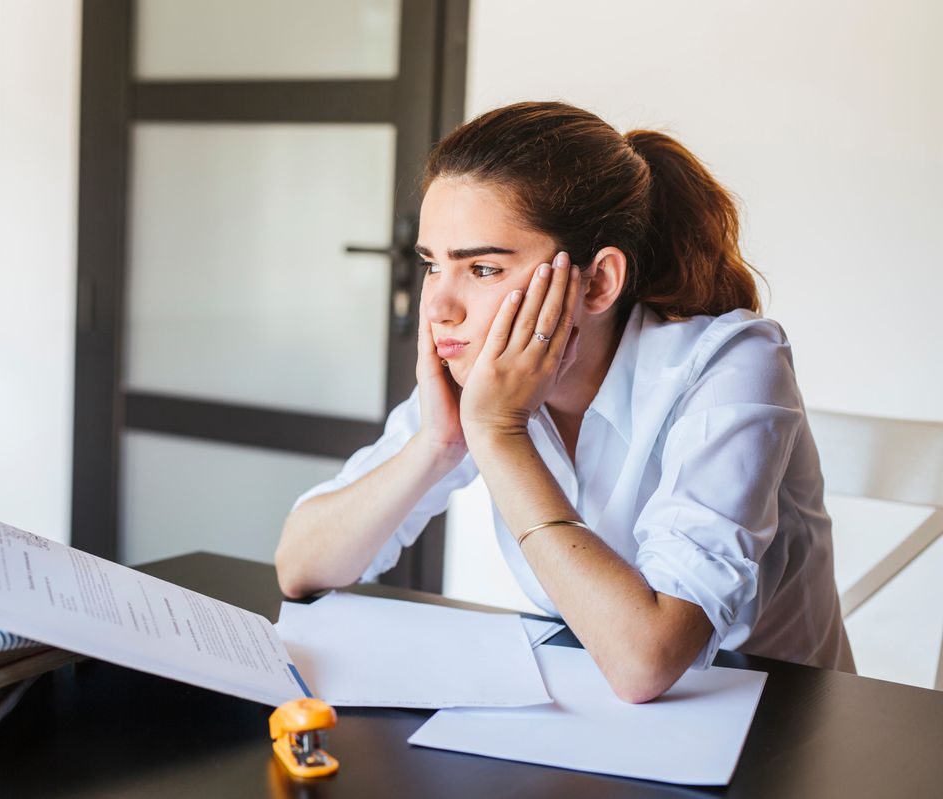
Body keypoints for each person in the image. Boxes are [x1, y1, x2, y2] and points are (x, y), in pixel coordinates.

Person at [274, 101, 854, 703]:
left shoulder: (733, 363)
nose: (440, 307)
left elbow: (645, 662)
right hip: (595, 706)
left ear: (598, 281)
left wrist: (499, 434)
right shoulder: (486, 378)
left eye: (483, 269)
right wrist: (438, 445)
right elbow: (300, 566)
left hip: (778, 723)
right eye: (431, 265)